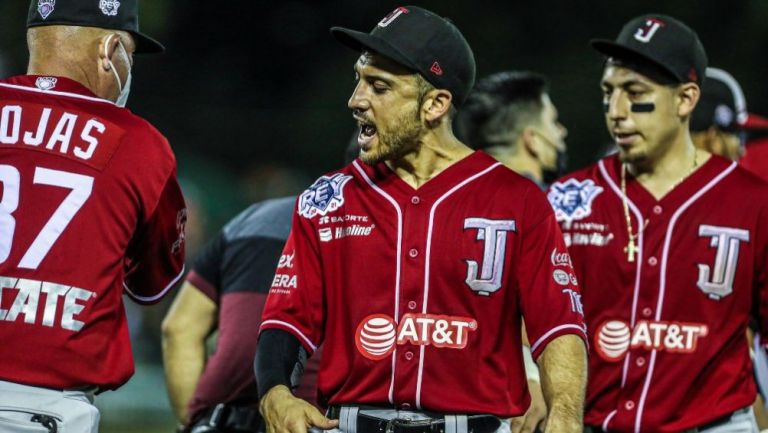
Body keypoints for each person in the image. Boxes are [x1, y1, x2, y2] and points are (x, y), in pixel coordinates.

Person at [255, 6, 588, 433]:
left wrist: (564, 414)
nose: (356, 100)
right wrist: (275, 392)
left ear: (435, 104)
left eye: (379, 86)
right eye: (359, 79)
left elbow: (559, 323)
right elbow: (286, 319)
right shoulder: (328, 199)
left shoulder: (517, 200)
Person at [548, 14, 768, 432]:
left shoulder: (753, 203)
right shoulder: (568, 198)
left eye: (635, 94)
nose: (616, 112)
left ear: (685, 100)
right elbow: (531, 323)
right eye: (608, 92)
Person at [0, 1, 186, 432]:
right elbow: (152, 284)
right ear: (109, 49)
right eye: (130, 55)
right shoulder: (140, 145)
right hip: (45, 409)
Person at [456, 71, 568, 189]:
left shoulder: (450, 200)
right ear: (533, 140)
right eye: (553, 122)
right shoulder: (551, 204)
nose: (563, 131)